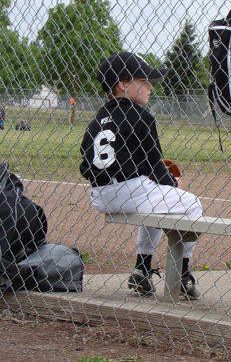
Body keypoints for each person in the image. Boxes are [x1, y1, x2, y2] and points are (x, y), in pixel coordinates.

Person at [79, 52, 203, 299]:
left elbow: (86, 160)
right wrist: (173, 183)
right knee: (192, 205)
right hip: (129, 191)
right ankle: (181, 275)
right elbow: (155, 165)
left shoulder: (97, 120)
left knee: (155, 203)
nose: (150, 87)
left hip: (100, 195)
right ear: (123, 84)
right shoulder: (141, 117)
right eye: (143, 81)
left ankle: (142, 272)